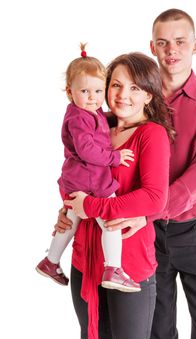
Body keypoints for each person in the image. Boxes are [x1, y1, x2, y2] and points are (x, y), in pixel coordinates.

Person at [55, 52, 174, 339]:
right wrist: (69, 207)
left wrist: (90, 207)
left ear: (149, 95)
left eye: (135, 88)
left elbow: (154, 197)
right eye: (116, 85)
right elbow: (72, 174)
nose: (123, 95)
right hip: (86, 258)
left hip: (129, 263)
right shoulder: (94, 124)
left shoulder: (151, 135)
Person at [36, 43, 141, 292]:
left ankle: (51, 260)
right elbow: (87, 150)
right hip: (90, 180)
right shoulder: (78, 118)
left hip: (78, 179)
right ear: (70, 92)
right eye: (85, 91)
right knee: (111, 218)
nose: (93, 97)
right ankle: (113, 268)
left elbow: (101, 125)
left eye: (97, 90)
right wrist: (114, 158)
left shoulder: (90, 112)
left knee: (72, 217)